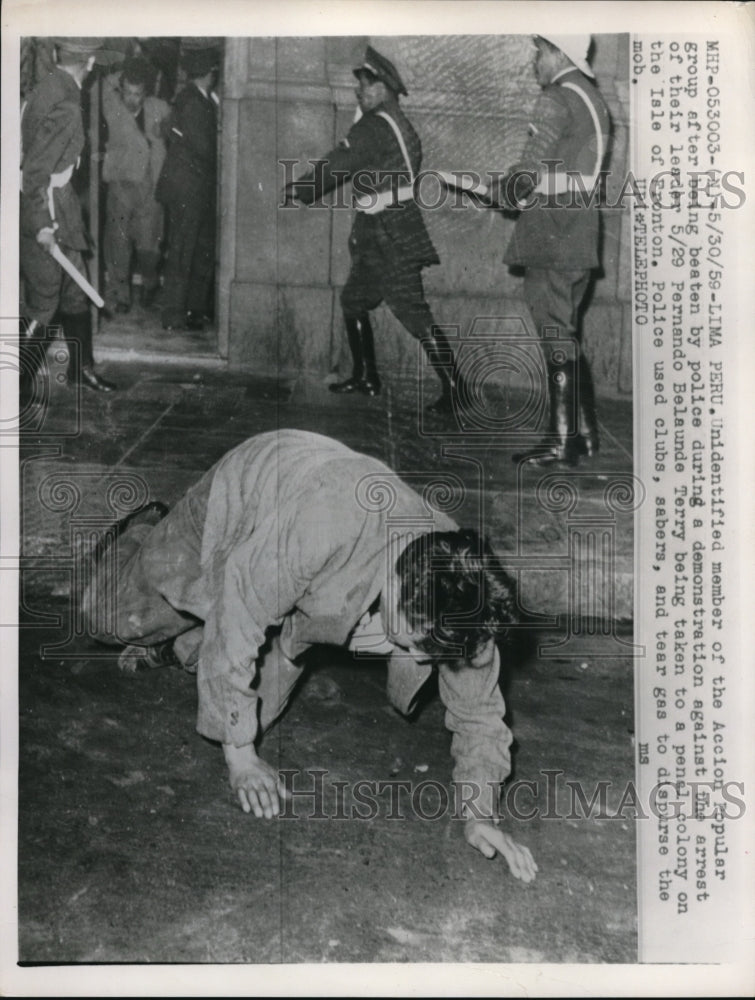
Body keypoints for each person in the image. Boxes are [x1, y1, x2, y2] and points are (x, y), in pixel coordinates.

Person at [81, 429, 537, 881]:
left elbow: (479, 713)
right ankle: (147, 531)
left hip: (308, 571)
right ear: (397, 588)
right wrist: (241, 761)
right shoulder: (323, 524)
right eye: (417, 645)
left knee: (244, 701)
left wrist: (479, 814)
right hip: (249, 492)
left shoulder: (459, 589)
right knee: (111, 621)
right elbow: (239, 609)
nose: (422, 663)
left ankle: (205, 628)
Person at [283, 46, 468, 414]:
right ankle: (366, 377)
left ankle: (456, 387)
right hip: (386, 226)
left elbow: (341, 162)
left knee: (412, 311)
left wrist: (302, 188)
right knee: (354, 300)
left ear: (382, 88)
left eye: (365, 85)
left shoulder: (375, 126)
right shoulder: (399, 124)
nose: (359, 91)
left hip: (387, 233)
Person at [502, 35, 610, 466]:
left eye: (540, 51)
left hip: (552, 231)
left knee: (554, 334)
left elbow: (530, 168)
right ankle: (585, 434)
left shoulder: (556, 97)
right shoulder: (593, 98)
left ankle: (561, 441)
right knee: (565, 331)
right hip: (580, 228)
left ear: (559, 53)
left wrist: (501, 192)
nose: (535, 60)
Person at [20, 37, 117, 396]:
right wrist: (42, 225)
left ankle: (81, 369)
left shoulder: (48, 85)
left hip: (58, 203)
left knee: (76, 290)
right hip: (46, 206)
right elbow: (35, 172)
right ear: (89, 63)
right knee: (45, 301)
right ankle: (11, 383)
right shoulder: (66, 105)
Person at [156, 46, 219, 332]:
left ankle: (194, 309)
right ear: (208, 74)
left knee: (200, 249)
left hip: (197, 188)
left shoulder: (198, 98)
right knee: (183, 250)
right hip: (188, 189)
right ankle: (173, 313)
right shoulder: (193, 102)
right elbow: (204, 147)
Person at [101, 56, 170, 313]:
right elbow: (103, 84)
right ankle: (122, 296)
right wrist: (127, 67)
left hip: (151, 187)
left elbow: (173, 131)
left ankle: (150, 285)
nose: (132, 99)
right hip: (121, 186)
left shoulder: (159, 108)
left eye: (137, 94)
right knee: (118, 243)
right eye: (128, 92)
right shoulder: (113, 107)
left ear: (145, 93)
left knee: (150, 245)